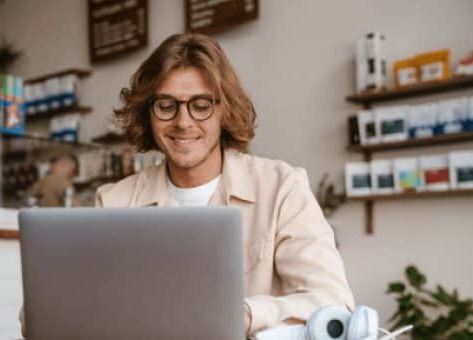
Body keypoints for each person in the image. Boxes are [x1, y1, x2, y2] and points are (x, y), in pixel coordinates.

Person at [20, 33, 354, 337]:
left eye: (200, 104)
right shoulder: (114, 200)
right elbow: (44, 315)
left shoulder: (281, 187)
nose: (183, 121)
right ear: (148, 113)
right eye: (166, 105)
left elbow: (333, 303)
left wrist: (246, 314)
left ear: (223, 110)